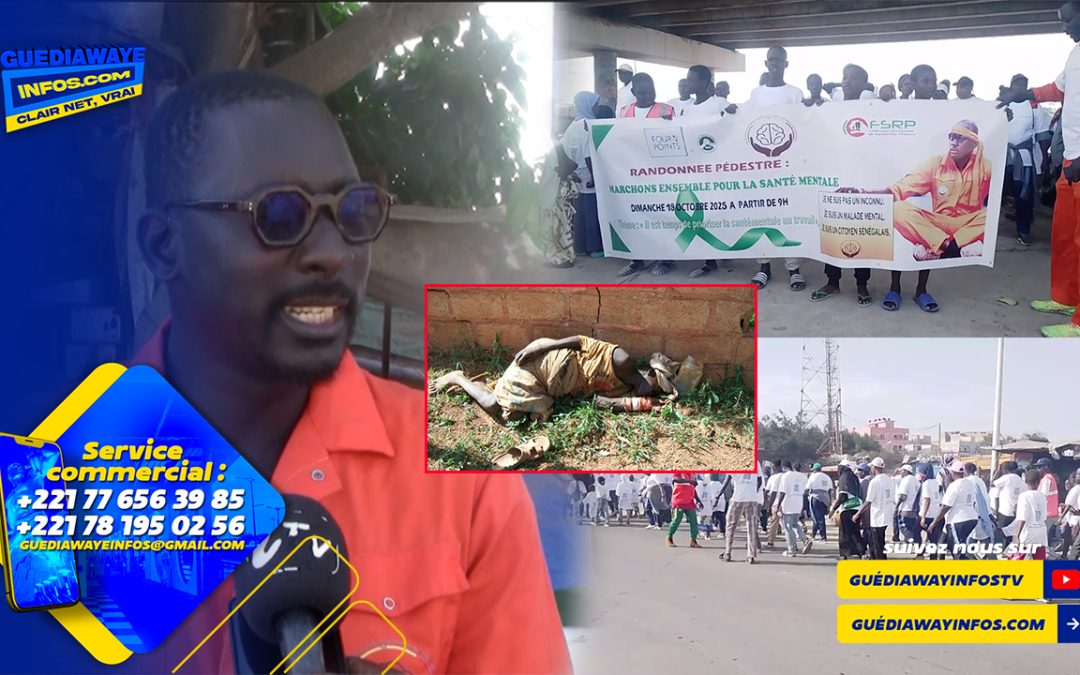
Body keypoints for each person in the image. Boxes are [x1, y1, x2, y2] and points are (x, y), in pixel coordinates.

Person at [136, 70, 568, 673]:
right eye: (279, 215)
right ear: (164, 246)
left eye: (353, 210)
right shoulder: (56, 484)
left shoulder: (462, 473)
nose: (333, 252)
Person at [840, 65, 989, 313]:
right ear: (913, 83)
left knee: (986, 217)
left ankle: (922, 289)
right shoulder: (898, 107)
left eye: (933, 81)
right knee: (897, 211)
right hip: (919, 202)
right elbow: (898, 187)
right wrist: (885, 94)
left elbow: (982, 129)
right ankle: (895, 288)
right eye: (925, 81)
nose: (930, 86)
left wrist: (1003, 120)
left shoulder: (946, 113)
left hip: (956, 220)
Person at [997, 2, 1080, 336]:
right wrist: (1025, 94)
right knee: (1064, 237)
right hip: (1071, 161)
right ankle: (1066, 299)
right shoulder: (1075, 54)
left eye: (1068, 19)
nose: (1063, 27)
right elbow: (1058, 90)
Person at [429, 335, 667, 425]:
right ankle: (458, 378)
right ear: (650, 371)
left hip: (553, 385)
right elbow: (580, 341)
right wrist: (541, 348)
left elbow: (597, 401)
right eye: (656, 385)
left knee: (516, 417)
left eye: (656, 393)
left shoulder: (625, 390)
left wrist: (636, 405)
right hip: (546, 363)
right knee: (496, 406)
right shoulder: (621, 360)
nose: (651, 392)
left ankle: (488, 386)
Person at [811, 64, 874, 307]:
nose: (847, 82)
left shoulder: (874, 109)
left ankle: (862, 284)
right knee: (834, 232)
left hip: (863, 184)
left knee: (862, 232)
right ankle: (833, 282)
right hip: (835, 182)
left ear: (864, 84)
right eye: (845, 77)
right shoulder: (830, 109)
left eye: (854, 78)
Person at [745, 45, 807, 292]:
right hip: (761, 167)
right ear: (765, 62)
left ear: (786, 64)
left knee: (788, 216)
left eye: (779, 60)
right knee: (762, 216)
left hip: (787, 166)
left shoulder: (795, 93)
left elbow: (802, 124)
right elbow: (745, 124)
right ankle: (763, 267)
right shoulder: (755, 94)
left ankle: (794, 269)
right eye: (771, 59)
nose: (774, 63)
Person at [1003, 74, 1052, 246]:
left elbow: (1042, 135)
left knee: (1023, 197)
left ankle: (1023, 231)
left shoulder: (1034, 107)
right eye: (1016, 84)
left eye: (1023, 85)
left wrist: (1044, 160)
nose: (1019, 87)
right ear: (1011, 86)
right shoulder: (1002, 103)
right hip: (1003, 156)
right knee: (994, 196)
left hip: (1024, 160)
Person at [559, 91, 605, 258]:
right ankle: (596, 248)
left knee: (580, 215)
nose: (597, 107)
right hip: (589, 175)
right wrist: (595, 177)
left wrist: (572, 174)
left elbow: (564, 153)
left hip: (577, 176)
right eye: (594, 104)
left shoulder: (571, 126)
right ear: (587, 105)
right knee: (592, 213)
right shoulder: (587, 125)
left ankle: (580, 247)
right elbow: (589, 154)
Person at [927, 460, 979, 560]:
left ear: (953, 472)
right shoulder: (969, 484)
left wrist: (934, 522)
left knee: (957, 550)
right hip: (971, 518)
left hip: (958, 520)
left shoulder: (954, 485)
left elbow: (946, 506)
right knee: (947, 544)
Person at [854, 457, 895, 560]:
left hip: (877, 516)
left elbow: (868, 501)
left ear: (874, 467)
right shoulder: (889, 480)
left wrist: (857, 514)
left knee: (877, 544)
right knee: (880, 541)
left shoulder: (874, 482)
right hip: (887, 515)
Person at [722, 462, 762, 563]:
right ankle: (751, 555)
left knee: (731, 525)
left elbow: (727, 480)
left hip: (738, 498)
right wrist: (753, 491)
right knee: (752, 527)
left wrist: (718, 495)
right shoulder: (756, 462)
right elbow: (760, 480)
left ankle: (727, 552)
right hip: (752, 498)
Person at [828, 460, 867, 560]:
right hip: (857, 507)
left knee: (844, 533)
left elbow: (842, 496)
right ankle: (862, 553)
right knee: (855, 532)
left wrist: (833, 509)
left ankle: (844, 554)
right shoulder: (854, 477)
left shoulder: (844, 477)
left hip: (847, 508)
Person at [774, 460, 813, 556]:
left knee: (787, 527)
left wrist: (778, 505)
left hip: (788, 504)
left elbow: (782, 492)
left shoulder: (785, 476)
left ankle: (791, 550)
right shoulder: (802, 476)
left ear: (784, 467)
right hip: (798, 503)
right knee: (795, 524)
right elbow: (806, 490)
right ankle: (805, 539)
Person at [1014, 468, 1049, 560]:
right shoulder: (1042, 496)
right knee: (1040, 560)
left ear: (1025, 481)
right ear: (1039, 481)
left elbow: (1022, 518)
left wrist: (1017, 536)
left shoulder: (1024, 496)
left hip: (1028, 533)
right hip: (1041, 532)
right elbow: (1044, 517)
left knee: (1018, 558)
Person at [992, 461, 1025, 544]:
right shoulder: (1020, 479)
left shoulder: (1006, 478)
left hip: (1005, 512)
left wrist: (998, 471)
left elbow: (993, 483)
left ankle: (1002, 552)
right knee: (1012, 535)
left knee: (1001, 534)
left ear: (1005, 470)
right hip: (1016, 512)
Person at [918, 464, 945, 559]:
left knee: (915, 532)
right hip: (936, 514)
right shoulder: (937, 482)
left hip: (928, 515)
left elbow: (927, 500)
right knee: (934, 539)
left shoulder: (926, 484)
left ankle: (921, 553)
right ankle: (934, 558)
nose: (919, 474)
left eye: (920, 472)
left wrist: (923, 518)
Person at [667, 473, 702, 548]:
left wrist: (698, 500)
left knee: (694, 521)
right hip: (679, 500)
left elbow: (693, 488)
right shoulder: (679, 472)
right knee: (676, 520)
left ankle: (693, 540)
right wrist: (689, 481)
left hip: (689, 501)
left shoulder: (692, 474)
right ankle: (669, 537)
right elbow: (674, 480)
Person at [1036, 457, 1061, 545]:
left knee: (1042, 538)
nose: (1037, 469)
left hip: (1046, 514)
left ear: (1046, 467)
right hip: (1050, 513)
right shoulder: (1050, 478)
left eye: (1039, 467)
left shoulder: (1047, 479)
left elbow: (1042, 497)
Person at [896, 464, 921, 543]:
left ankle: (911, 539)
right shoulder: (916, 481)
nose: (900, 473)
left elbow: (903, 496)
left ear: (905, 471)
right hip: (914, 509)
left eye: (901, 471)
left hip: (905, 508)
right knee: (912, 529)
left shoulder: (905, 480)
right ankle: (915, 544)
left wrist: (896, 507)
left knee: (904, 528)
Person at [806, 463, 832, 541]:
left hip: (815, 497)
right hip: (826, 498)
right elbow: (830, 490)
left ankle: (823, 537)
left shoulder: (813, 476)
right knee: (818, 517)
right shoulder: (827, 477)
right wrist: (829, 502)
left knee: (818, 518)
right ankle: (813, 534)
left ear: (814, 469)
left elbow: (807, 488)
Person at [763, 464, 784, 548]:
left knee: (773, 522)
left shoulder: (773, 478)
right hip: (787, 503)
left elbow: (771, 492)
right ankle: (799, 541)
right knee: (789, 523)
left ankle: (770, 542)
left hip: (776, 502)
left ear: (774, 467)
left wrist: (768, 506)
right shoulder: (786, 476)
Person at [1062, 468, 1080, 559]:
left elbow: (1069, 505)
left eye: (1078, 475)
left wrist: (1060, 518)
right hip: (1074, 517)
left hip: (1075, 518)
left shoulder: (1076, 489)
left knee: (1075, 546)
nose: (1077, 477)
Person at [709, 473, 731, 538]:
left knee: (709, 517)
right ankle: (722, 532)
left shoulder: (710, 484)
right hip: (721, 501)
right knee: (721, 517)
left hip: (714, 500)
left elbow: (711, 494)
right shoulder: (719, 484)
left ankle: (708, 532)